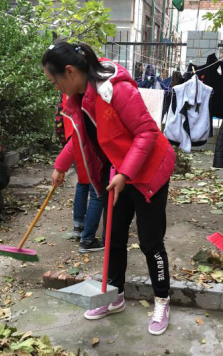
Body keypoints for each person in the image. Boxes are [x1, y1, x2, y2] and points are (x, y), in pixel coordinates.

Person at [43, 42, 176, 336]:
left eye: (54, 82)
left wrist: (126, 173)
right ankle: (115, 296)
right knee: (113, 237)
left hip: (148, 172)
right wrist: (61, 165)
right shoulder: (79, 98)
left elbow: (147, 132)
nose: (56, 88)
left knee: (150, 242)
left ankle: (162, 299)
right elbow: (82, 138)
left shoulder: (116, 89)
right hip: (117, 174)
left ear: (70, 71)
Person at [59, 94, 105, 253]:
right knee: (97, 194)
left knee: (83, 184)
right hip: (90, 150)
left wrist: (60, 166)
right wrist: (60, 166)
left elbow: (61, 125)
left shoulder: (71, 94)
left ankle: (79, 227)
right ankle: (87, 240)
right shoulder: (89, 97)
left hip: (76, 143)